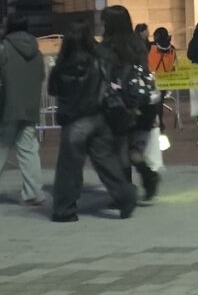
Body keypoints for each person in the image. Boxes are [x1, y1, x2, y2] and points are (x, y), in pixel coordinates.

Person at [50, 22, 137, 221]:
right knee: (107, 162)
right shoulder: (99, 61)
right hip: (98, 117)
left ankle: (64, 209)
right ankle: (126, 196)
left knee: (69, 168)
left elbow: (53, 90)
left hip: (74, 122)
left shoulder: (62, 66)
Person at [101, 5, 161, 200]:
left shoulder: (107, 47)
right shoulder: (138, 44)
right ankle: (147, 175)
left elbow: (106, 76)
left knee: (119, 147)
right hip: (142, 100)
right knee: (134, 147)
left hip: (119, 103)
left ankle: (125, 191)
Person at [0, 14, 46, 207]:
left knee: (1, 149)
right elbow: (42, 76)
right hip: (30, 107)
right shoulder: (37, 52)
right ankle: (34, 193)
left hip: (7, 108)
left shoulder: (4, 49)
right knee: (29, 150)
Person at [147, 27, 176, 131]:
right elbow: (173, 65)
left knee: (153, 103)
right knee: (160, 102)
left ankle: (155, 122)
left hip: (152, 77)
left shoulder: (150, 46)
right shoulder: (172, 49)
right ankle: (160, 122)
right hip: (165, 78)